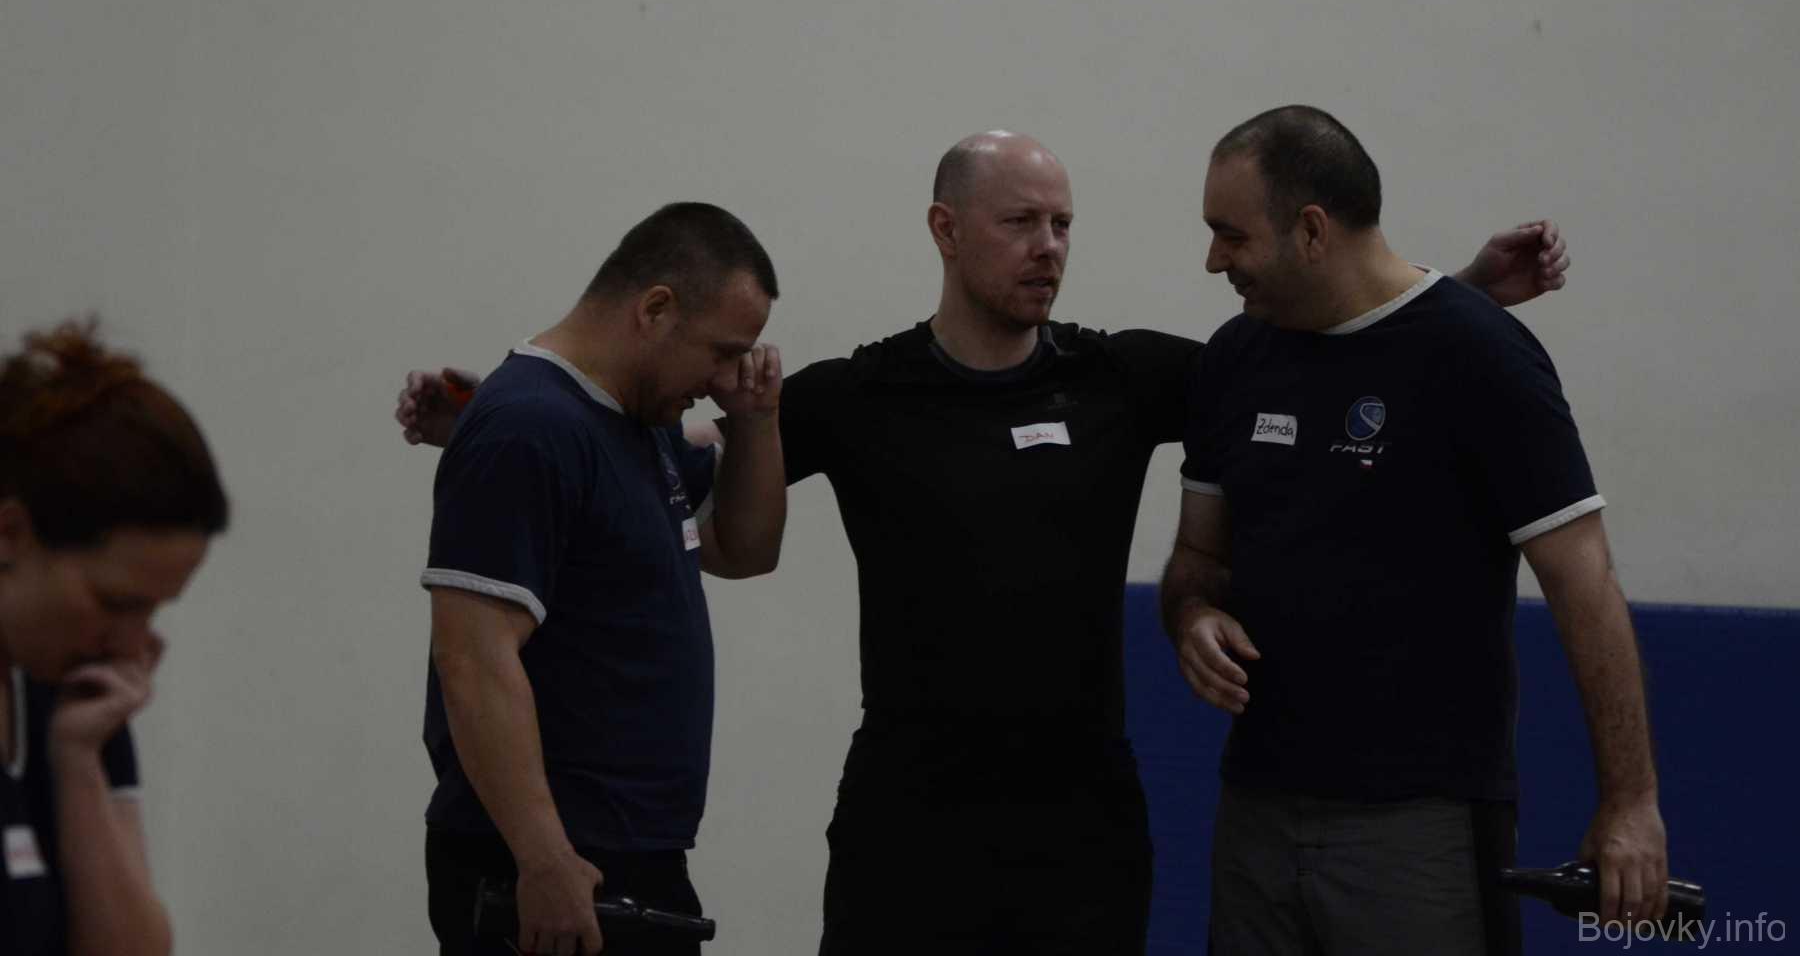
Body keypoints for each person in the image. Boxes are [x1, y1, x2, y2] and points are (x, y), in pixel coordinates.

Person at [397, 133, 1569, 954]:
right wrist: (495, 416)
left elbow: (1312, 354)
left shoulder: (1124, 377)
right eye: (1021, 222)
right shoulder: (862, 394)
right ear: (946, 230)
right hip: (909, 822)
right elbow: (673, 443)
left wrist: (1464, 290)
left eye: (1063, 225)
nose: (1049, 246)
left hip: (1080, 824)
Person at [1161, 106, 1664, 956]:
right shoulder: (1236, 360)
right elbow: (1197, 557)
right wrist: (1191, 615)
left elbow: (1585, 582)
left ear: (1312, 231)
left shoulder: (1482, 355)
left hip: (1419, 828)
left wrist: (1631, 803)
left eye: (1231, 235)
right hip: (1255, 815)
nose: (1214, 259)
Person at [420, 202, 787, 956]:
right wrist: (544, 858)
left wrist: (756, 418)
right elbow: (473, 659)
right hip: (553, 866)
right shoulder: (527, 426)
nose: (724, 378)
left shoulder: (633, 423)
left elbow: (744, 549)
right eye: (722, 352)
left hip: (629, 855)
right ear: (655, 309)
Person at [0, 321, 230, 956]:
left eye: (154, 609)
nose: (133, 645)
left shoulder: (76, 687)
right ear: (10, 535)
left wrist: (77, 762)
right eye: (115, 603)